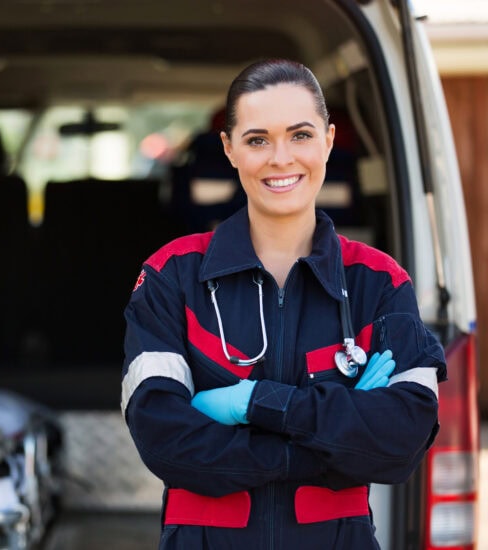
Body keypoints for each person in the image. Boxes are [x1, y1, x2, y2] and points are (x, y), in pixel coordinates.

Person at [121, 58, 445, 549]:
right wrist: (332, 440)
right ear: (229, 149)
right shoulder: (171, 276)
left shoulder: (377, 283)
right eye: (257, 140)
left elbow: (400, 444)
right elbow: (165, 441)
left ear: (329, 140)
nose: (281, 158)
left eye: (300, 135)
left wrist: (255, 403)